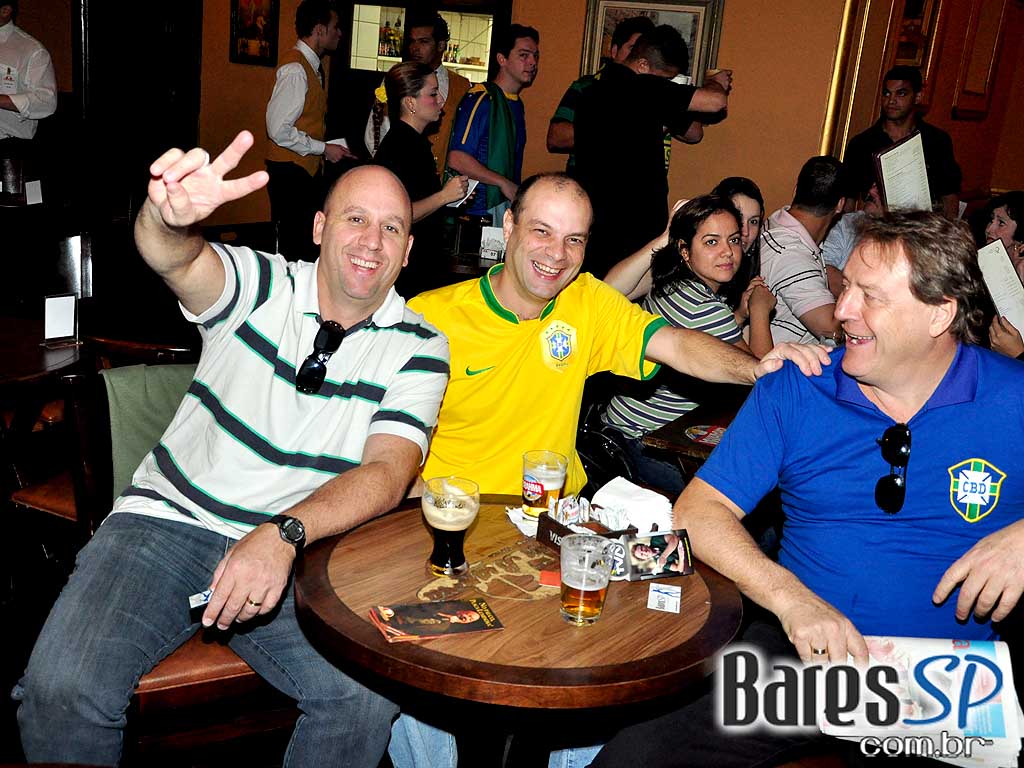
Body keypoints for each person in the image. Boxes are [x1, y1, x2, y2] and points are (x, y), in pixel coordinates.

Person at [15, 131, 454, 768]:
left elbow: (387, 473)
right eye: (355, 219)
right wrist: (165, 217)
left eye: (391, 227)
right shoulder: (262, 284)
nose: (371, 241)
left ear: (408, 250)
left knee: (364, 694)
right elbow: (177, 259)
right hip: (167, 526)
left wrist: (282, 534)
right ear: (318, 226)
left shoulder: (419, 345)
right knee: (62, 688)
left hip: (301, 552)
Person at [588, 210, 1024, 767]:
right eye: (845, 289)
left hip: (948, 682)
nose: (841, 312)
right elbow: (696, 512)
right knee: (639, 756)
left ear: (940, 313)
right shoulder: (801, 385)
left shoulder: (1011, 396)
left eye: (871, 297)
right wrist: (793, 602)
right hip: (806, 661)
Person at [408, 173, 830, 499]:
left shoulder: (587, 302)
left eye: (574, 239)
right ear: (510, 225)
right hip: (458, 515)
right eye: (542, 232)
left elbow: (678, 343)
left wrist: (757, 369)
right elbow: (392, 445)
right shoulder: (432, 315)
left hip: (550, 515)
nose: (557, 254)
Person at [601, 195, 776, 494]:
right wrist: (759, 311)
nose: (727, 252)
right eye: (711, 242)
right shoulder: (705, 308)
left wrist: (738, 316)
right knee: (755, 504)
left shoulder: (671, 282)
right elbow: (765, 377)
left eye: (734, 240)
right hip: (642, 447)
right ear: (684, 250)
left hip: (611, 428)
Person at [573, 24, 731, 277]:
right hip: (627, 229)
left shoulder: (595, 91)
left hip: (596, 220)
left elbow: (693, 133)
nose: (666, 86)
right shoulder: (640, 87)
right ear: (644, 66)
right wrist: (714, 82)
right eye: (666, 79)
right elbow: (716, 102)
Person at [265, 0, 354, 262]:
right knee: (295, 247)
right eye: (335, 27)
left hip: (300, 171)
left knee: (303, 243)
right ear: (319, 29)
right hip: (290, 173)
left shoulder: (310, 65)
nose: (339, 33)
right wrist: (324, 148)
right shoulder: (295, 69)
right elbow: (278, 130)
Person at [374, 61, 469, 297]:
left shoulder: (414, 143)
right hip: (409, 270)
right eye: (433, 93)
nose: (441, 100)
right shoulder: (400, 147)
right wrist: (444, 196)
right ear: (410, 103)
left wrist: (451, 197)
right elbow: (399, 213)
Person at [447, 23, 539, 225]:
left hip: (502, 209)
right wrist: (503, 183)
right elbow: (457, 158)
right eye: (524, 55)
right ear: (502, 59)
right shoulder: (482, 97)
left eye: (535, 56)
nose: (532, 62)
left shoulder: (516, 103)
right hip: (476, 213)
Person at [843, 65, 961, 220]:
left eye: (901, 93)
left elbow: (949, 197)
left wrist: (944, 237)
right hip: (872, 231)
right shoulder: (861, 144)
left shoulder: (937, 141)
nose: (891, 100)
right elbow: (848, 201)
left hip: (921, 232)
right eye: (886, 93)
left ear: (917, 97)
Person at [363, 10, 471, 177]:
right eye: (412, 41)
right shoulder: (400, 79)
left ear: (441, 45)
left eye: (424, 41)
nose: (415, 48)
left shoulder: (463, 86)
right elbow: (375, 133)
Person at [545, 15, 654, 171]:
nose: (639, 58)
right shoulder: (587, 86)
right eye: (633, 49)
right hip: (587, 183)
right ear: (614, 51)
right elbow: (556, 137)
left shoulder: (653, 92)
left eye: (646, 52)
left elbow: (693, 133)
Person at [760, 155, 845, 344]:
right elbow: (831, 333)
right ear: (840, 204)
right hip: (782, 367)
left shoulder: (776, 222)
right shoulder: (791, 254)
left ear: (796, 190)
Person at [0, 0, 56, 184]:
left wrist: (1, 100)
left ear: (5, 10)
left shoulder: (31, 50)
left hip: (12, 152)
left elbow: (46, 101)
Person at [821, 181, 884, 297]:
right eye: (873, 186)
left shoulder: (913, 240)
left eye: (880, 190)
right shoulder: (845, 224)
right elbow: (824, 272)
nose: (871, 192)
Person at [984, 191, 1024, 359]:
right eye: (991, 220)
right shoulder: (981, 264)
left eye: (1001, 223)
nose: (989, 229)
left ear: (1020, 243)